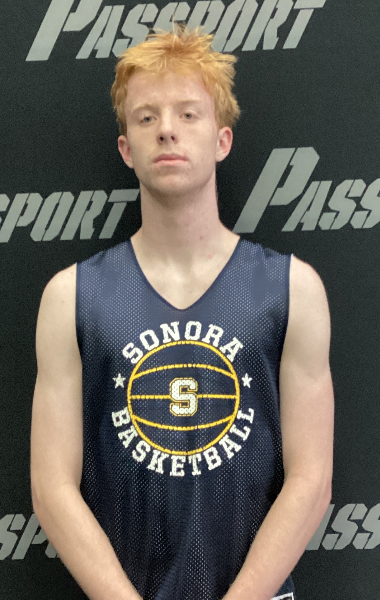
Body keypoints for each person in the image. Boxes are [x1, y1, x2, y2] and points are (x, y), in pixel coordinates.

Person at [31, 26, 334, 600]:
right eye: (146, 117)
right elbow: (51, 488)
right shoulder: (71, 297)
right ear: (126, 149)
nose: (166, 128)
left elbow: (312, 480)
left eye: (188, 114)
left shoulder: (292, 288)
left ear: (221, 140)